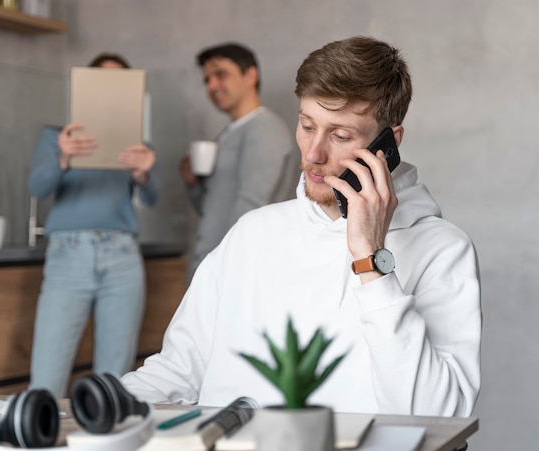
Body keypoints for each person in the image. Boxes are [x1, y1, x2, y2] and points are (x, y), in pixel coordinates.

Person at [121, 36, 482, 417]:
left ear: (388, 145)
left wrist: (370, 259)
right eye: (307, 126)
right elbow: (178, 368)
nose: (312, 154)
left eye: (340, 135)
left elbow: (438, 415)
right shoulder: (252, 232)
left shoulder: (443, 249)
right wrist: (93, 410)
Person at [28, 53, 159, 399]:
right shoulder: (58, 137)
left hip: (122, 257)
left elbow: (153, 197)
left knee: (113, 381)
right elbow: (38, 187)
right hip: (68, 256)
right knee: (47, 375)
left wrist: (143, 173)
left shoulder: (137, 145)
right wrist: (63, 158)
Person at [179, 42, 299, 278]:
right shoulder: (228, 133)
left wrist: (222, 269)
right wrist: (193, 184)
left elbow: (252, 206)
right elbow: (212, 209)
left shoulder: (264, 129)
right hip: (219, 265)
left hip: (240, 269)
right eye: (207, 80)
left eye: (220, 75)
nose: (212, 86)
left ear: (250, 75)